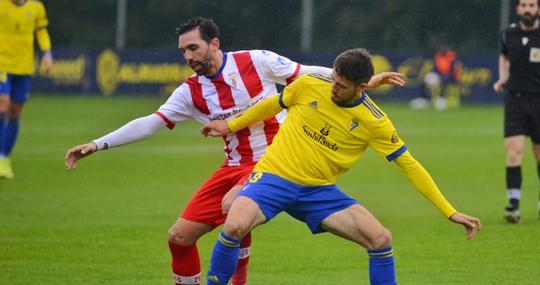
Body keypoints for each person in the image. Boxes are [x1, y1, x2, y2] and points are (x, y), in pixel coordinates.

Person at [64, 17, 402, 285]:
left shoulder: (257, 61)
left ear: (214, 44)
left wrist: (364, 83)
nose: (188, 57)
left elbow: (308, 74)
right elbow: (151, 123)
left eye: (193, 48)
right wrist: (97, 144)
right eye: (183, 51)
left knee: (232, 209)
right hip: (233, 166)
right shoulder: (190, 91)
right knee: (179, 237)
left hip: (275, 161)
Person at [202, 48, 481, 285]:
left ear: (361, 86)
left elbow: (410, 166)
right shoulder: (311, 82)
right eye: (333, 79)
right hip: (274, 175)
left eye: (341, 85)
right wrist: (230, 125)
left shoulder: (375, 121)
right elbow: (272, 105)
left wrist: (449, 211)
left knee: (381, 239)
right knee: (235, 225)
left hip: (318, 191)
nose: (333, 87)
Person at [493, 0, 540, 223]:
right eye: (524, 5)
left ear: (538, 9)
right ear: (518, 10)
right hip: (515, 101)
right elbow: (504, 57)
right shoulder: (508, 34)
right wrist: (503, 78)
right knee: (513, 152)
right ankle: (514, 206)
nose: (528, 9)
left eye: (532, 5)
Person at [0, 0, 53, 178]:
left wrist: (47, 53)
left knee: (15, 113)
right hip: (2, 65)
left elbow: (41, 31)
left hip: (24, 68)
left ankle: (4, 158)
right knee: (2, 106)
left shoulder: (36, 8)